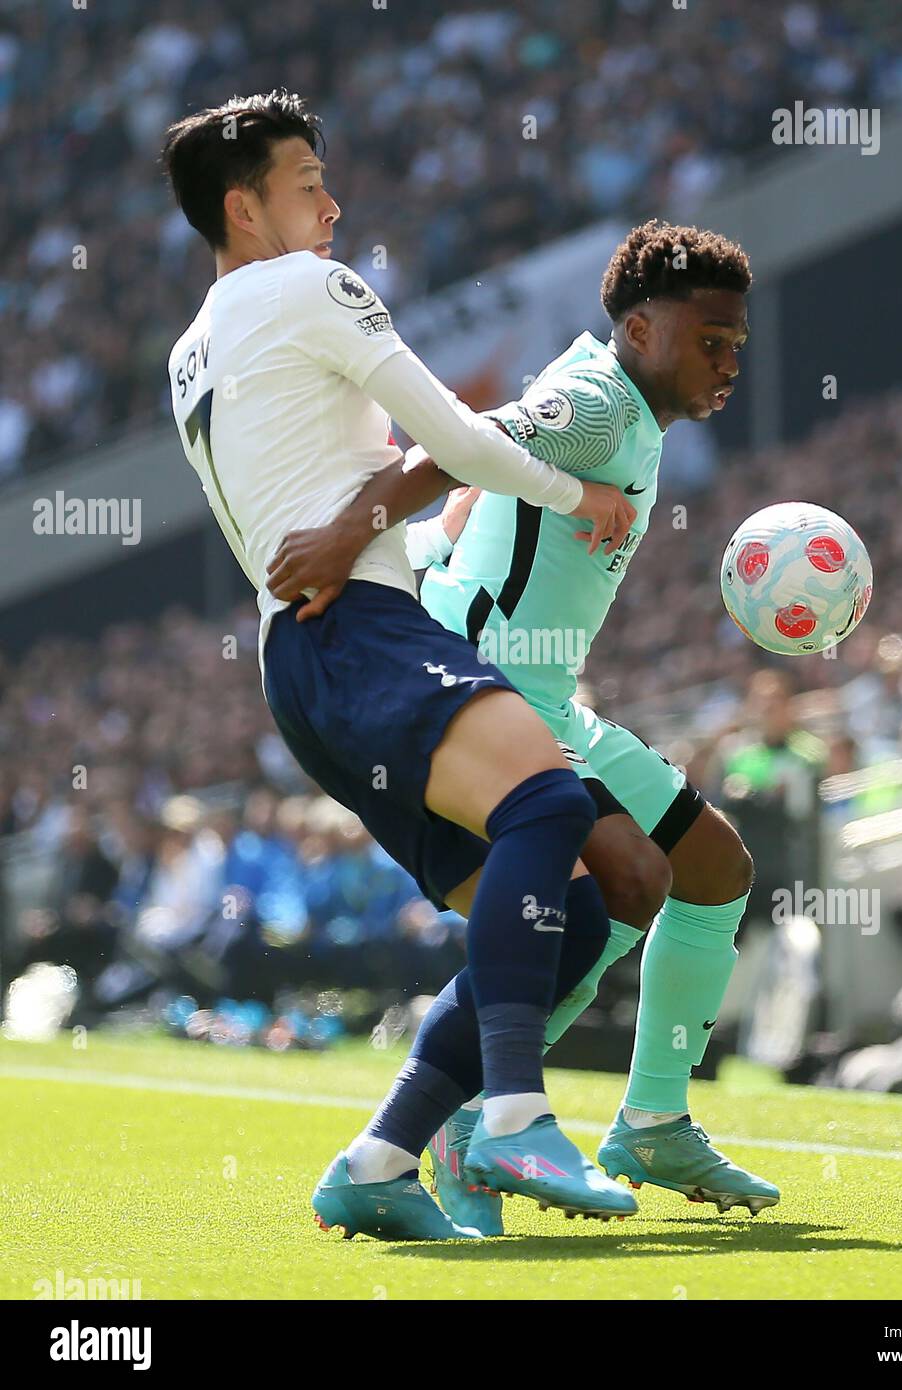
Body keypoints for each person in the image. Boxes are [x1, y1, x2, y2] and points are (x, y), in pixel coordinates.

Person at [162, 89, 641, 1240]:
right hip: (363, 635)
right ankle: (518, 1114)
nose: (334, 205)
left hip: (305, 669)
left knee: (560, 913)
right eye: (309, 184)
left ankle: (380, 1158)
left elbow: (360, 496)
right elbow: (463, 437)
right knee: (549, 799)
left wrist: (396, 515)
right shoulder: (307, 287)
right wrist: (591, 497)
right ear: (245, 206)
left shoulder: (192, 351)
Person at [267, 220, 780, 1231]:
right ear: (640, 327)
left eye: (736, 345)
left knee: (712, 867)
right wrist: (344, 540)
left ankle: (652, 1118)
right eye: (708, 339)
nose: (725, 362)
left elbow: (472, 496)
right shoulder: (595, 401)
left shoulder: (619, 405)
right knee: (620, 887)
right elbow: (456, 450)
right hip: (492, 693)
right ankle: (472, 1122)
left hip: (554, 700)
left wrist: (429, 543)